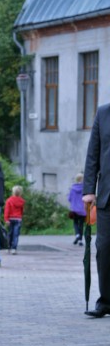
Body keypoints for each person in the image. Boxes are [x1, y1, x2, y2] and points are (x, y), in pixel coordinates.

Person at [83, 103, 110, 318]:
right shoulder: (103, 112)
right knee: (104, 249)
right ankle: (106, 301)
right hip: (107, 195)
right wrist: (88, 190)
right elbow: (93, 154)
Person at [4, 185, 25, 254]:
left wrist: (6, 219)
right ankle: (14, 249)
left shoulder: (9, 200)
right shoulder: (22, 201)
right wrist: (20, 217)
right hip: (18, 219)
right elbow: (22, 211)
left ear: (13, 192)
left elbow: (7, 210)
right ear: (20, 193)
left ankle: (8, 248)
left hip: (10, 219)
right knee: (16, 234)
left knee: (10, 233)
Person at [67, 172, 86, 246]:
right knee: (81, 224)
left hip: (74, 209)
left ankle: (77, 235)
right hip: (82, 209)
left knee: (75, 223)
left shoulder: (72, 188)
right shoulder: (84, 188)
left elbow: (69, 199)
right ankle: (80, 240)